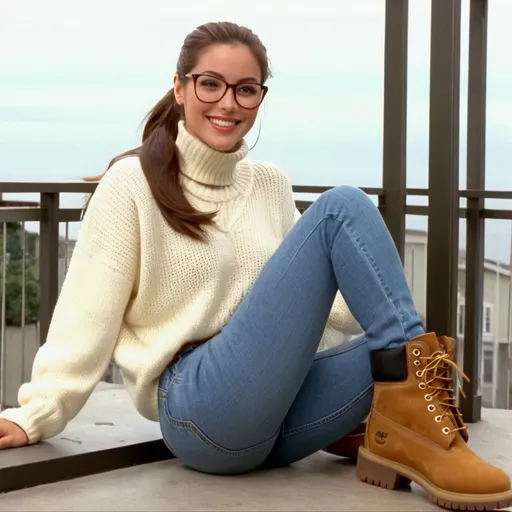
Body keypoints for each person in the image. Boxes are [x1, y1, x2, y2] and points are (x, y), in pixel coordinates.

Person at [0, 20, 511, 511]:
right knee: (343, 207)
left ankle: (406, 424)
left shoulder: (269, 183)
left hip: (273, 422)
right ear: (179, 88)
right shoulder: (131, 184)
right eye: (210, 85)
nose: (228, 103)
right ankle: (411, 424)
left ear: (260, 98)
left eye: (246, 89)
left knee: (412, 351)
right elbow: (85, 314)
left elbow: (319, 304)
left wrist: (388, 330)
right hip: (200, 410)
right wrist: (40, 412)